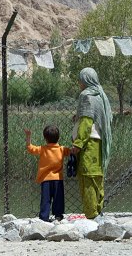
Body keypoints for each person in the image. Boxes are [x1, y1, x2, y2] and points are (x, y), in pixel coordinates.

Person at [71, 67, 112, 219]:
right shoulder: (100, 94)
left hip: (89, 144)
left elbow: (87, 121)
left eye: (80, 79)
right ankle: (98, 210)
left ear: (85, 80)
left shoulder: (86, 95)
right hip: (99, 143)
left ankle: (91, 214)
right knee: (97, 177)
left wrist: (78, 143)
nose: (79, 82)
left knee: (87, 177)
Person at [24, 126, 70, 222]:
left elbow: (30, 148)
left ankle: (44, 217)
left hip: (45, 179)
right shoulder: (62, 149)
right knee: (58, 198)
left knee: (45, 199)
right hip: (58, 179)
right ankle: (58, 215)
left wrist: (28, 136)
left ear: (45, 138)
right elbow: (72, 151)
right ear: (58, 137)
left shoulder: (43, 149)